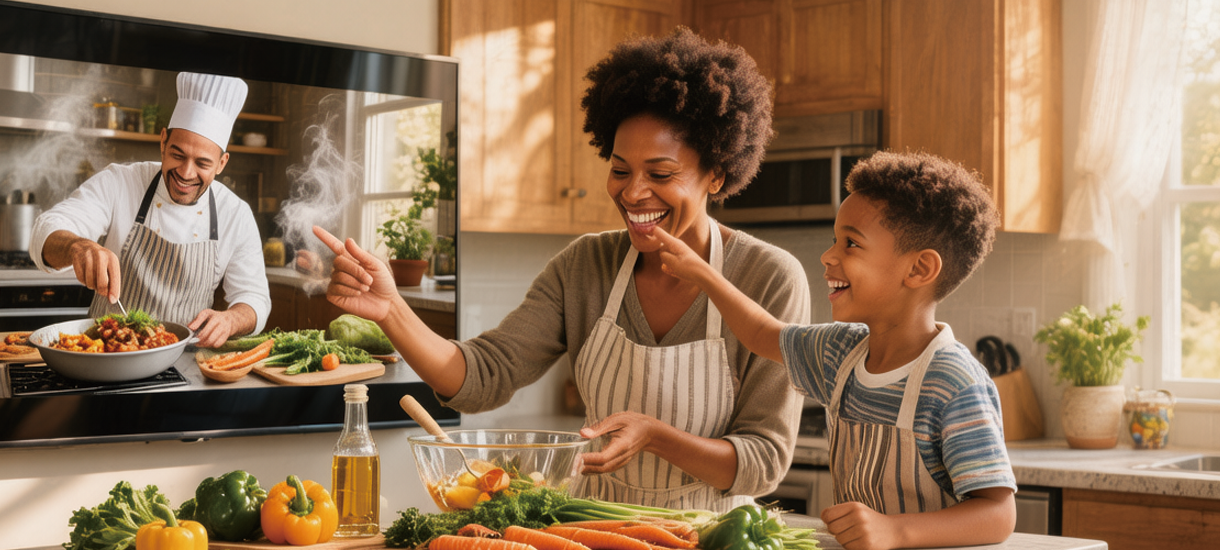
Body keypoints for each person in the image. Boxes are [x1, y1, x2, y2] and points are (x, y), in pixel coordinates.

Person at [312, 28, 809, 511]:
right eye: (619, 170)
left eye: (660, 173)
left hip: (714, 535)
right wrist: (391, 310)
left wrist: (656, 437)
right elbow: (484, 375)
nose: (633, 192)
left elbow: (764, 461)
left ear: (716, 174)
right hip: (593, 532)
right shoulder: (585, 266)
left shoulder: (768, 277)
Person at [653, 151, 1017, 550]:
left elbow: (998, 513)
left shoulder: (953, 381)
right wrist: (703, 272)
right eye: (834, 240)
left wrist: (895, 531)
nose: (828, 256)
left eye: (851, 244)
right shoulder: (841, 352)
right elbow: (761, 333)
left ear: (918, 269)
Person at [30, 72, 269, 348]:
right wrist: (77, 246)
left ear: (221, 163)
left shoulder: (235, 213)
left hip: (185, 360)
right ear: (163, 141)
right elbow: (46, 230)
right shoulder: (120, 182)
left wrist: (231, 320)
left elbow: (254, 299)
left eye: (202, 163)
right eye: (177, 155)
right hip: (105, 353)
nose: (186, 173)